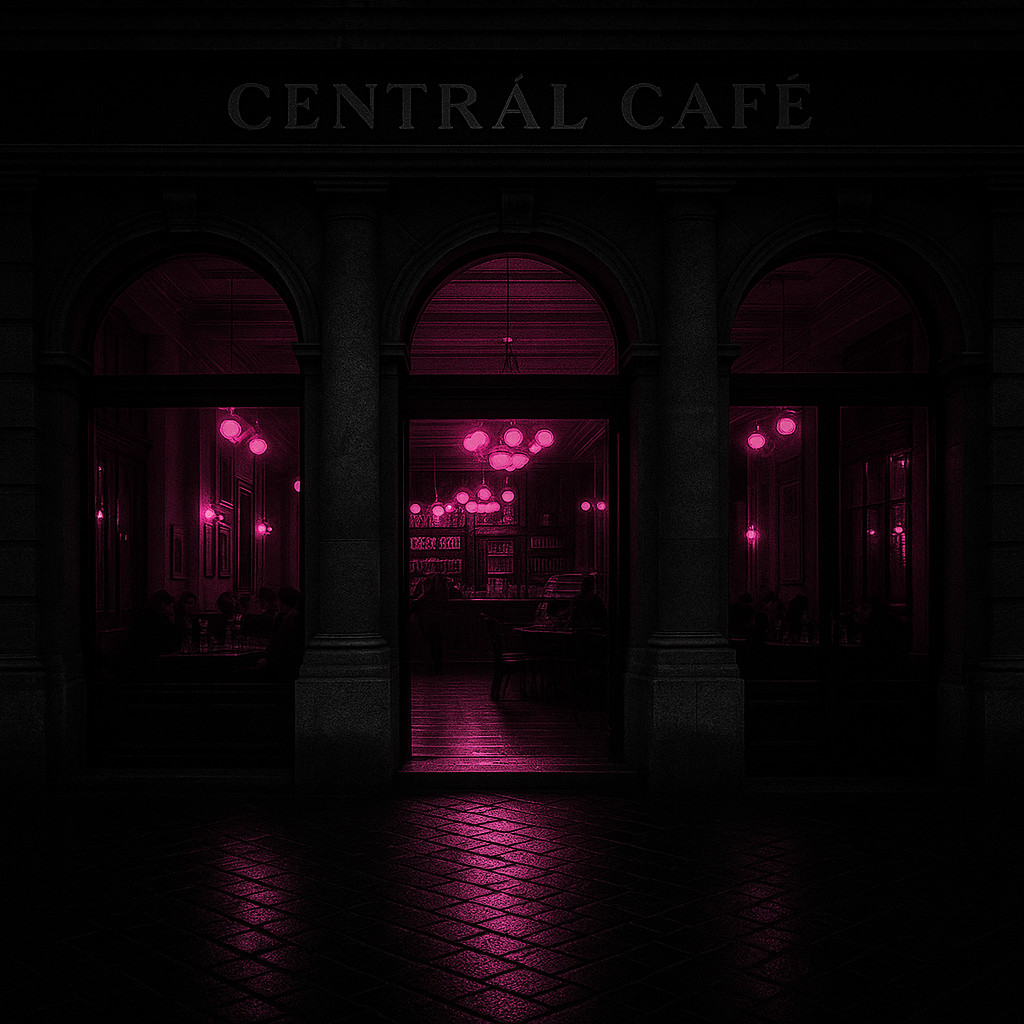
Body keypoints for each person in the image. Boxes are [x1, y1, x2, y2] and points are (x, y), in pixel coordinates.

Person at [255, 585, 304, 683]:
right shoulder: (292, 618)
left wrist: (267, 659)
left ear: (284, 602)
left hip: (283, 667)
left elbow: (278, 645)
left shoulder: (290, 621)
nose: (276, 603)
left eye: (278, 600)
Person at [411, 571, 449, 673]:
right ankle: (437, 665)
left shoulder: (426, 595)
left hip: (427, 620)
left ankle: (432, 665)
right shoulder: (442, 593)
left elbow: (416, 604)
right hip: (438, 620)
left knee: (430, 644)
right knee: (437, 643)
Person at [129, 589, 179, 658]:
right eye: (170, 605)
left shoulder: (145, 615)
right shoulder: (154, 620)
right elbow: (166, 644)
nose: (172, 609)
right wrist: (172, 622)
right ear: (163, 605)